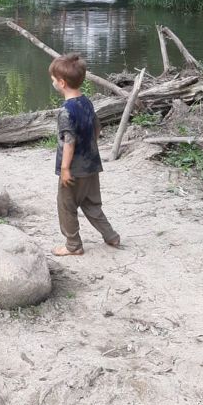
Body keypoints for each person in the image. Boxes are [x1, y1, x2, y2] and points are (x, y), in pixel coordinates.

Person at [49, 52, 120, 256]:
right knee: (91, 203)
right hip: (91, 163)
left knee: (66, 205)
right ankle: (111, 236)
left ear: (61, 83)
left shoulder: (66, 111)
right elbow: (96, 127)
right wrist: (91, 147)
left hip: (74, 169)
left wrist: (64, 168)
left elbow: (69, 142)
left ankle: (73, 245)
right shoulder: (86, 101)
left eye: (53, 79)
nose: (52, 82)